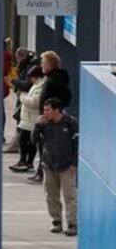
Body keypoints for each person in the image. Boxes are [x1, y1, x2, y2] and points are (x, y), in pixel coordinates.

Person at [33, 98, 79, 237]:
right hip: (49, 165)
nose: (45, 113)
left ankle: (72, 223)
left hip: (66, 166)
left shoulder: (70, 123)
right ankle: (56, 221)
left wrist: (74, 163)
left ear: (57, 110)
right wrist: (37, 126)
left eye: (48, 110)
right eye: (44, 110)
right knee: (51, 195)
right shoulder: (44, 124)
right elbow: (34, 140)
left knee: (69, 196)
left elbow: (77, 144)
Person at [28, 51, 70, 184]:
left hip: (48, 118)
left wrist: (51, 112)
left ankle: (43, 171)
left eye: (43, 63)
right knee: (42, 144)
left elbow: (65, 97)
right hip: (45, 116)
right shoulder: (52, 79)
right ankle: (41, 171)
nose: (40, 65)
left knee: (45, 145)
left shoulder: (54, 81)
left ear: (49, 65)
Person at [12, 65, 45, 173]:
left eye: (32, 77)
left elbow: (33, 102)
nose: (30, 80)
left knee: (26, 141)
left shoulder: (40, 86)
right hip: (28, 119)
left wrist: (21, 96)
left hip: (31, 119)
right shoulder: (37, 85)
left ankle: (26, 161)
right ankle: (25, 161)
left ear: (36, 77)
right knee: (24, 140)